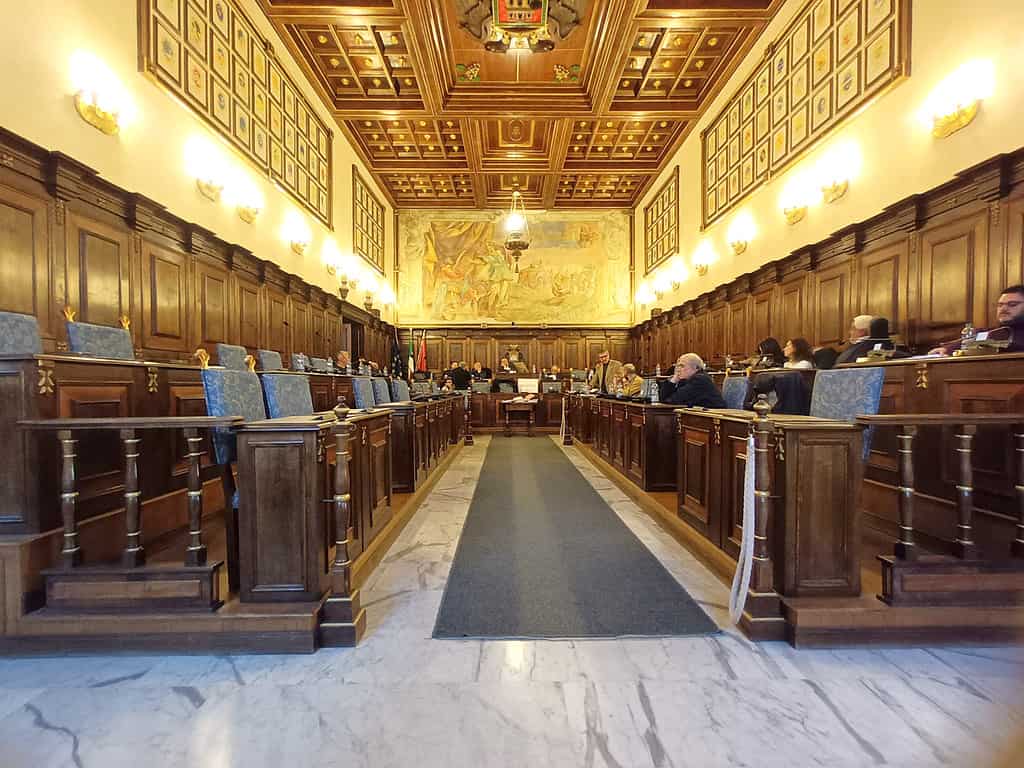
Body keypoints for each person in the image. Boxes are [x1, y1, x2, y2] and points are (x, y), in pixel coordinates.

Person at [929, 285, 1024, 355]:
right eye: (1000, 305)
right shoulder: (993, 332)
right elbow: (969, 341)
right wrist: (947, 350)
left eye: (1012, 304)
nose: (1003, 309)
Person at [658, 353, 727, 408]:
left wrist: (669, 398)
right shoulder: (685, 380)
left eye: (682, 366)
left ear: (696, 368)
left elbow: (673, 400)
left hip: (715, 416)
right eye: (677, 366)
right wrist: (674, 380)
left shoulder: (700, 380)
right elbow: (664, 399)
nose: (678, 370)